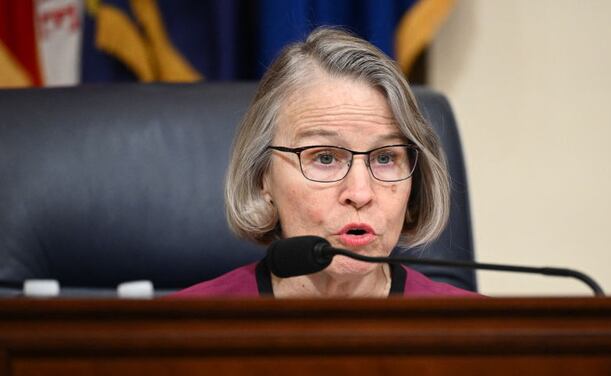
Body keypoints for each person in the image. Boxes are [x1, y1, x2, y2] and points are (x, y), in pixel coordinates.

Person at [174, 28, 479, 298]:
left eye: (385, 158)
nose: (360, 193)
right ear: (262, 177)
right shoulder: (175, 332)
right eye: (325, 157)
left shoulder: (477, 337)